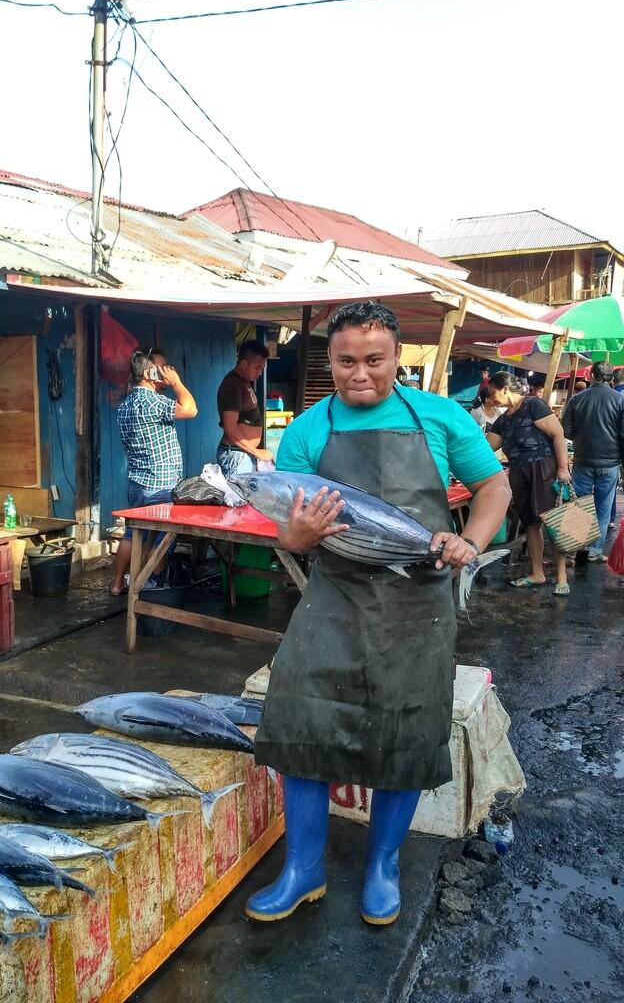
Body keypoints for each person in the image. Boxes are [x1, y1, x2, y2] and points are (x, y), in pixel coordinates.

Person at [246, 300, 510, 927]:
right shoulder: (308, 430)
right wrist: (301, 535)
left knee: (406, 730)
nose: (359, 373)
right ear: (329, 360)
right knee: (299, 721)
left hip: (420, 600)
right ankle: (303, 869)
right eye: (345, 361)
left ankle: (382, 866)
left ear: (397, 358)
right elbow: (289, 534)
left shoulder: (441, 417)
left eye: (374, 359)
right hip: (334, 596)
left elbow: (493, 488)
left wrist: (469, 542)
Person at [110, 347, 197, 595]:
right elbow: (190, 409)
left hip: (137, 481)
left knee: (132, 532)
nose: (168, 372)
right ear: (149, 373)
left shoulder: (125, 406)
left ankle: (117, 583)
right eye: (163, 368)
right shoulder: (153, 402)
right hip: (161, 484)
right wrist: (177, 383)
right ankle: (153, 586)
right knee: (161, 538)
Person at [487, 372, 571, 594]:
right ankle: (537, 573)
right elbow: (486, 449)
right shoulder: (503, 420)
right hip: (518, 473)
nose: (490, 398)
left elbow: (558, 434)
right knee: (530, 522)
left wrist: (562, 468)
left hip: (543, 469)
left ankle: (561, 576)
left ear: (505, 388)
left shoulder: (533, 405)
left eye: (492, 392)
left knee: (552, 522)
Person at [561, 361, 624, 562]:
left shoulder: (576, 399)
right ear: (611, 379)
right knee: (603, 508)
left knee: (579, 505)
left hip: (582, 460)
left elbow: (566, 431)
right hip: (611, 462)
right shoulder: (619, 400)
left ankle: (576, 547)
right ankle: (595, 551)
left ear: (590, 376)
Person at [216, 340, 272, 476]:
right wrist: (257, 452)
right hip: (235, 455)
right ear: (244, 364)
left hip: (242, 453)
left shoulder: (243, 382)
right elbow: (230, 428)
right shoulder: (232, 385)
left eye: (262, 368)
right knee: (237, 497)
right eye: (257, 368)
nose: (260, 373)